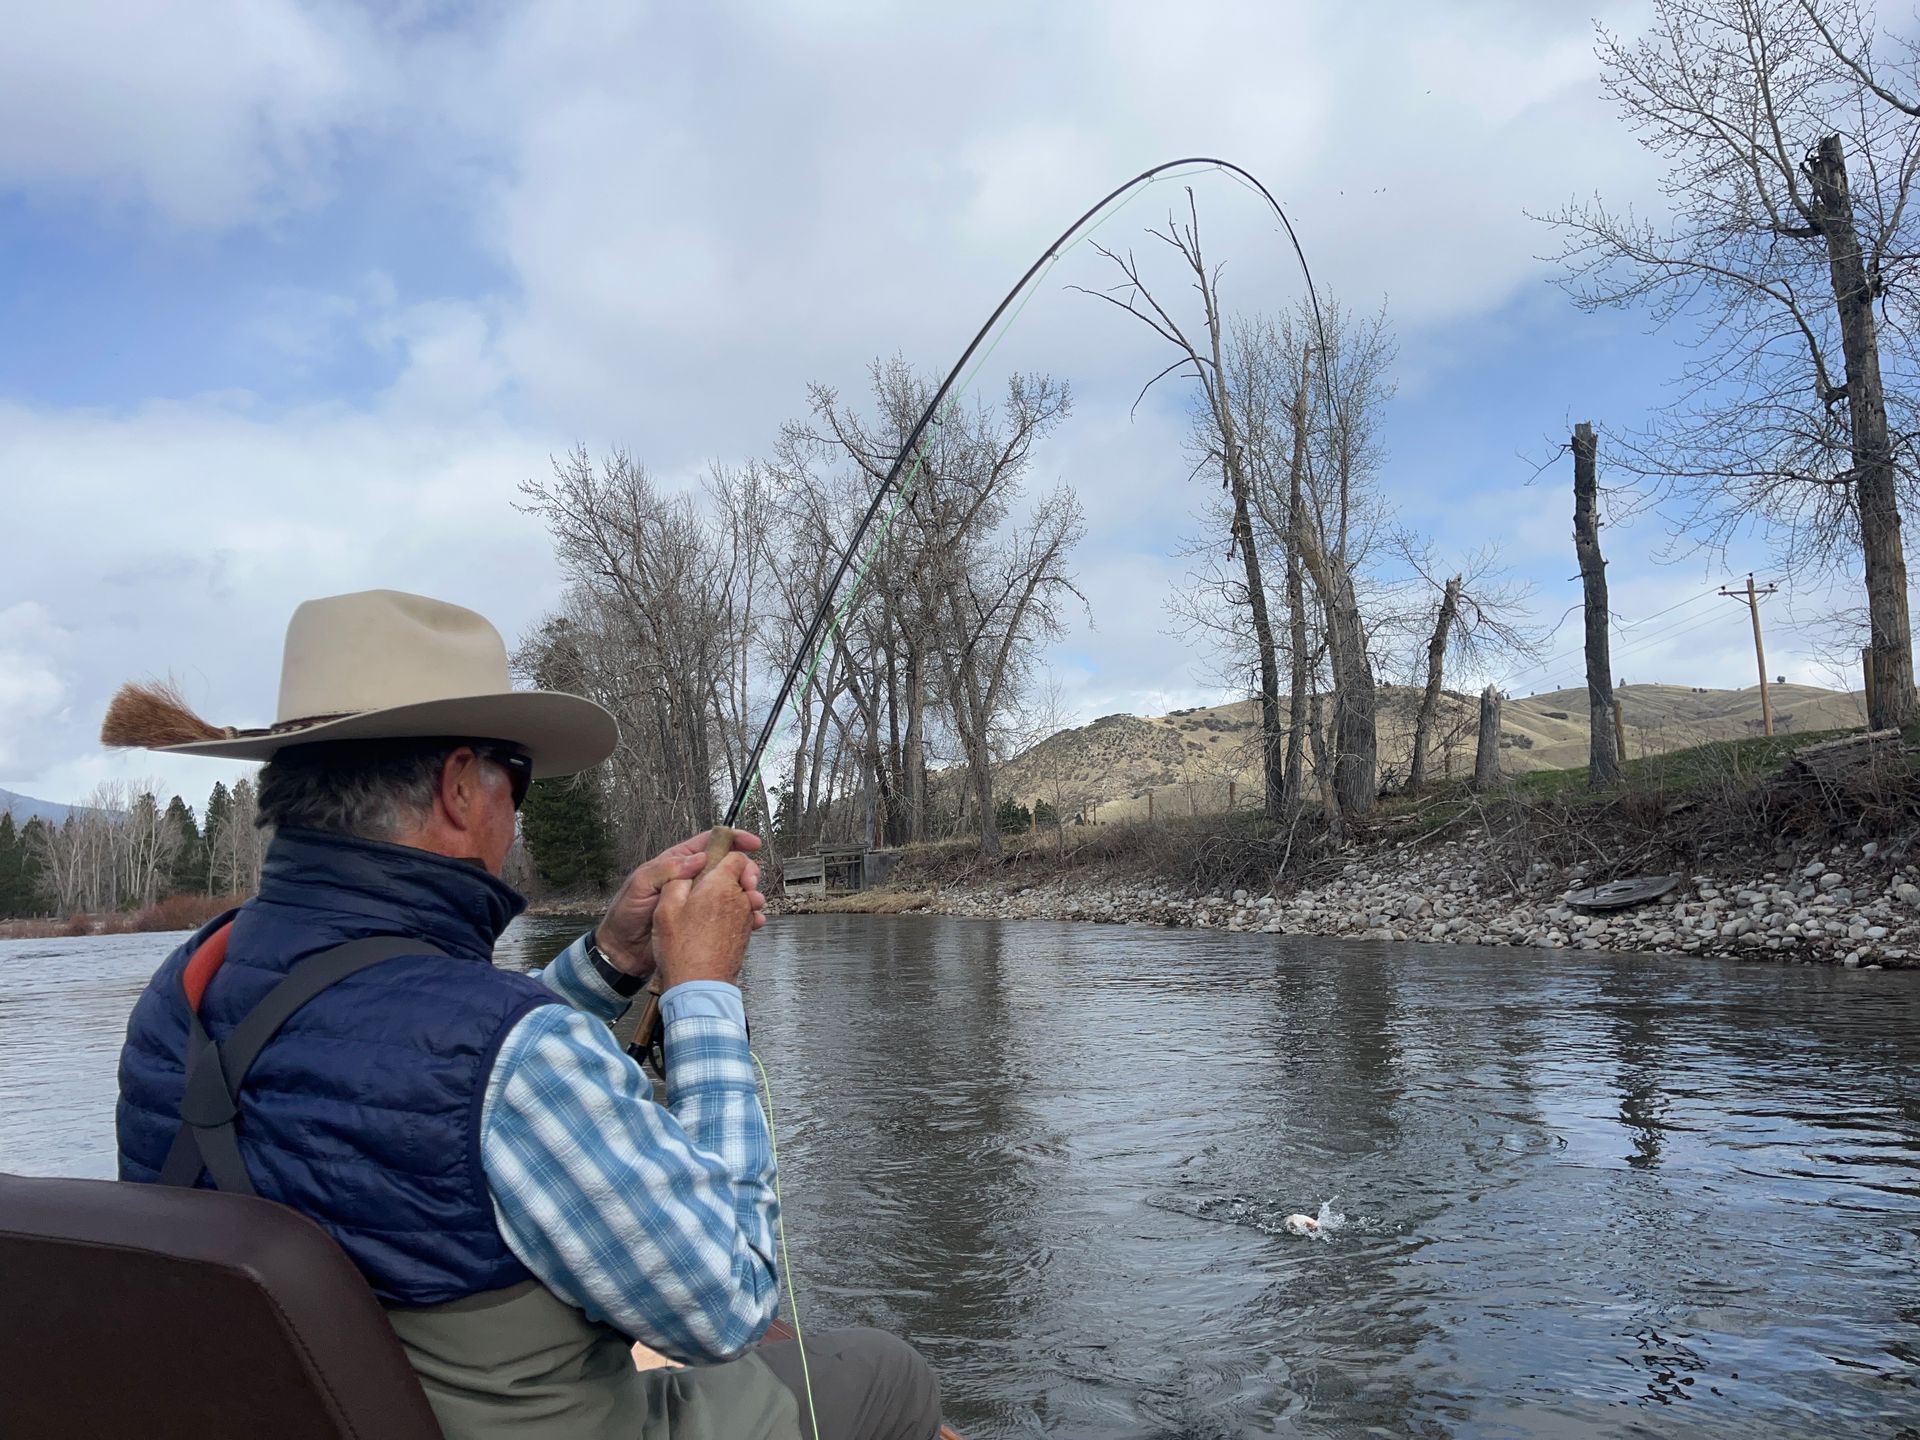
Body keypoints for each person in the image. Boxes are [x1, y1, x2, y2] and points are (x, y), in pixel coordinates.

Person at [110, 589, 943, 1440]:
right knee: (885, 1374)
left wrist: (612, 959)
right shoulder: (506, 1053)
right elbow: (727, 1299)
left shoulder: (185, 987)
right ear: (461, 784)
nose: (519, 807)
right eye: (520, 775)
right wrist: (703, 993)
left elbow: (413, 1069)